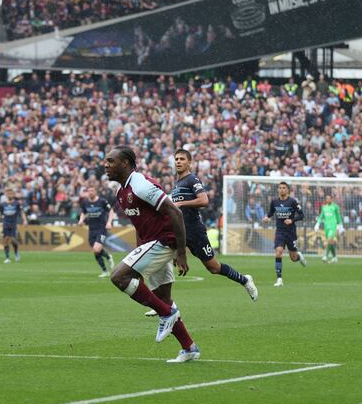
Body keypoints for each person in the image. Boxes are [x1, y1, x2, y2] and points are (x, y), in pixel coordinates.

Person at [105, 146, 200, 363]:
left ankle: (166, 314)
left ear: (126, 163)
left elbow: (175, 211)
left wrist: (181, 251)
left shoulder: (140, 185)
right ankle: (189, 347)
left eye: (111, 161)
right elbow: (142, 224)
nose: (106, 165)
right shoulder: (122, 192)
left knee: (119, 277)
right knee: (163, 298)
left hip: (165, 241)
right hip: (155, 243)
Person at [169, 149, 257, 302]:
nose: (178, 161)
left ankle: (245, 280)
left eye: (182, 159)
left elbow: (204, 200)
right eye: (176, 159)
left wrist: (182, 203)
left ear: (189, 163)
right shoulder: (176, 184)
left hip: (195, 232)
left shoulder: (192, 180)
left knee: (213, 268)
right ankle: (162, 303)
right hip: (180, 232)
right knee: (163, 260)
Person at [262, 182, 306, 287]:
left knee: (293, 258)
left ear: (288, 190)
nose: (282, 189)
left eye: (284, 188)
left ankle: (298, 256)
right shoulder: (274, 202)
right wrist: (267, 218)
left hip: (291, 232)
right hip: (280, 231)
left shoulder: (292, 201)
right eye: (280, 188)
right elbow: (270, 213)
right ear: (278, 190)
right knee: (279, 252)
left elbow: (302, 215)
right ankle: (279, 279)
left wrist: (292, 220)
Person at [77, 185, 116, 277]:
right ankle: (107, 262)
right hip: (91, 229)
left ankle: (106, 268)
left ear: (96, 192)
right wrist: (81, 220)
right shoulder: (85, 202)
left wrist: (109, 222)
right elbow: (83, 212)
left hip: (101, 228)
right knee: (96, 250)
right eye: (89, 191)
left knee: (96, 249)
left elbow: (111, 211)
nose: (90, 192)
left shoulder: (102, 201)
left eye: (92, 191)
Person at [0, 188, 27, 263]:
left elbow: (21, 212)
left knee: (13, 239)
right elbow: (0, 214)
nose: (10, 195)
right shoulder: (3, 204)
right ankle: (7, 258)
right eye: (8, 193)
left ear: (13, 195)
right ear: (6, 195)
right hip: (5, 224)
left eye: (11, 193)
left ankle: (16, 253)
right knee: (5, 240)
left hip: (13, 223)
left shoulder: (17, 203)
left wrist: (24, 220)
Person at [315, 194, 343, 264]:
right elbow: (321, 216)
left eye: (329, 198)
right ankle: (334, 257)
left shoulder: (335, 207)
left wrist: (340, 226)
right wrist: (317, 224)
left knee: (330, 239)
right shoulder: (324, 207)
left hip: (333, 226)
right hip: (326, 227)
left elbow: (338, 216)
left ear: (331, 199)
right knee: (330, 242)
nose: (328, 200)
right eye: (327, 198)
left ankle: (325, 256)